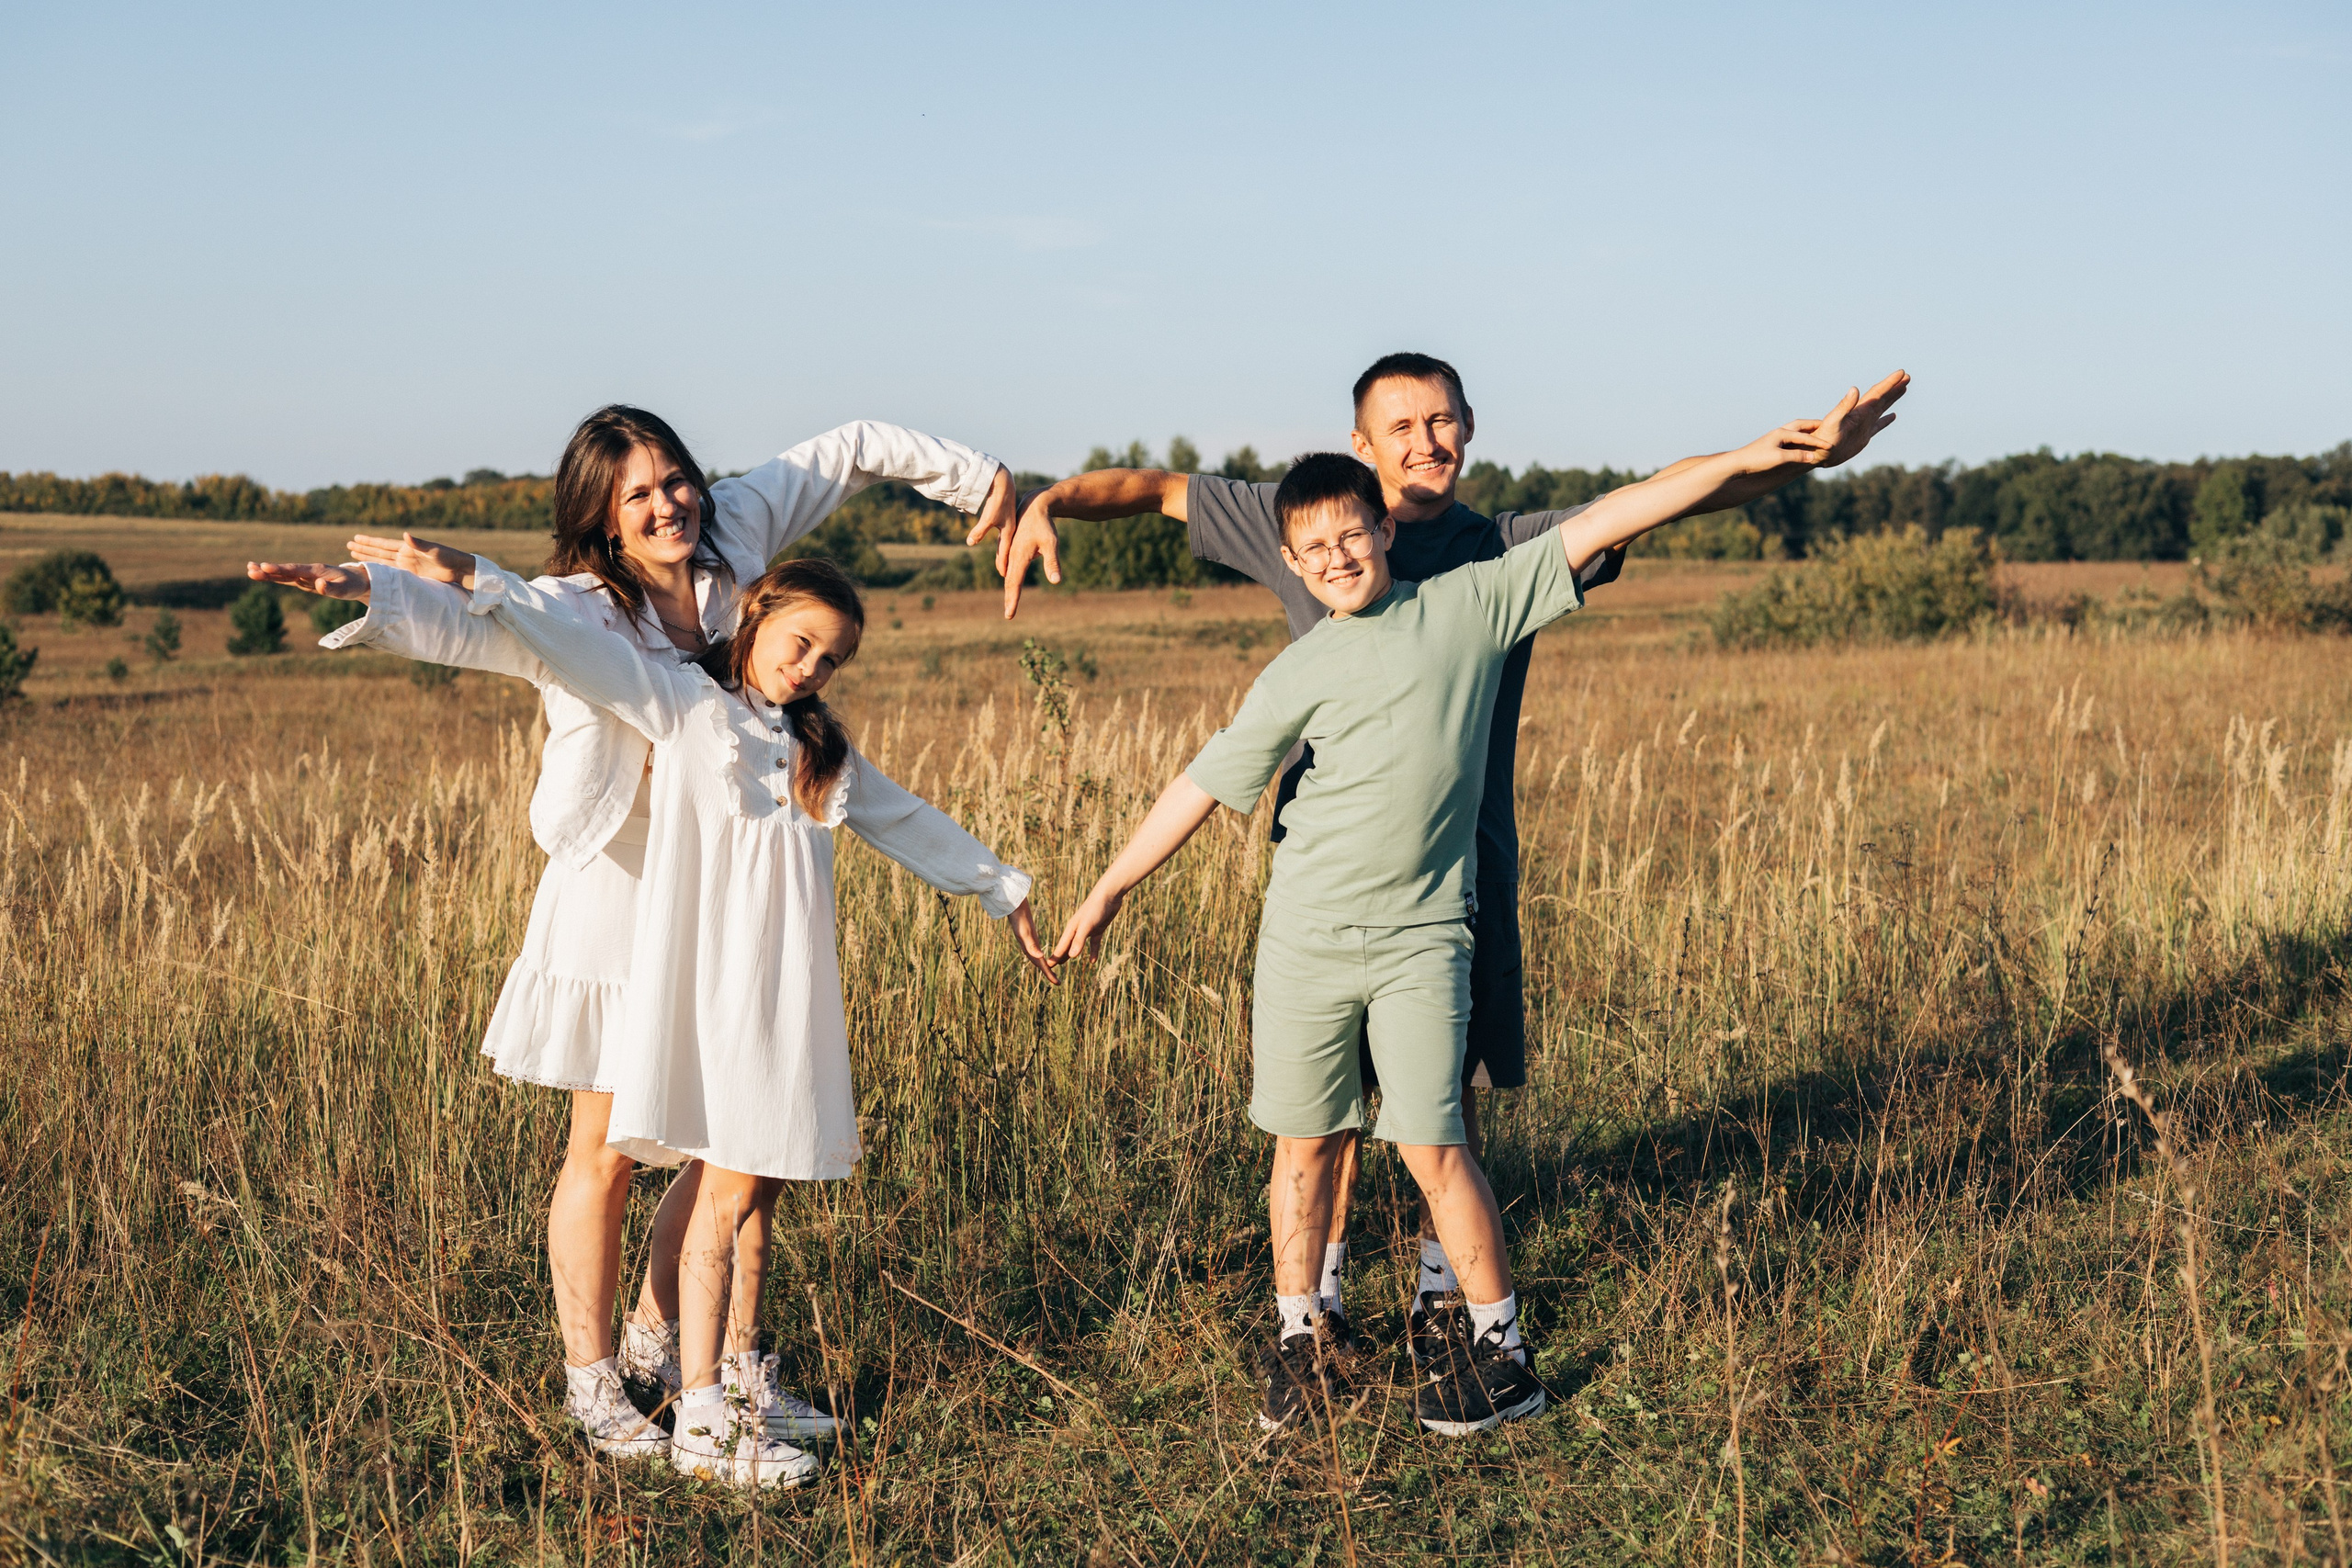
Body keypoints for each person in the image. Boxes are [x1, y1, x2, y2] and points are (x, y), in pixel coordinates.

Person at [989, 355, 1906, 1364]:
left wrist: (1791, 456)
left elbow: (1653, 500)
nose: (1425, 442)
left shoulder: (1492, 560)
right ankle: (1316, 1315)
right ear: (1360, 450)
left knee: (1444, 1097)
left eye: (1442, 421)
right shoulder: (1311, 518)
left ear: (1468, 425)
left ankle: (1444, 1301)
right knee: (1318, 1120)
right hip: (1327, 879)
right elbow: (1159, 491)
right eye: (1402, 426)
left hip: (1458, 872)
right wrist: (1051, 502)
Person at [252, 405, 1015, 1461]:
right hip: (618, 889)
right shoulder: (578, 603)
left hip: (727, 890)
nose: (670, 505)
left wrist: (980, 483)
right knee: (607, 1150)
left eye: (676, 479)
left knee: (739, 1133)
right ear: (603, 516)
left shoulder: (733, 535)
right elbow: (487, 625)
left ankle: (691, 1356)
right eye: (640, 494)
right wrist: (381, 592)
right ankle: (595, 1385)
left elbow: (845, 450)